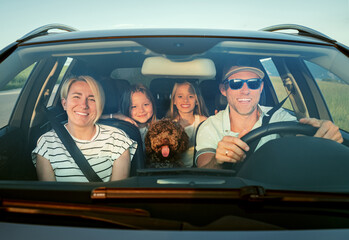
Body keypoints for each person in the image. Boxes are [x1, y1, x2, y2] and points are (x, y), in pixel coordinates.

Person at [195, 65, 343, 169]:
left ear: (260, 87)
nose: (245, 91)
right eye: (236, 84)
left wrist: (322, 133)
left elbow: (301, 137)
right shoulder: (210, 126)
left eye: (253, 83)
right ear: (223, 90)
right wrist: (217, 161)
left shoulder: (278, 117)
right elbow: (204, 170)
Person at [32, 76, 137, 182]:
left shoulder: (118, 139)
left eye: (92, 99)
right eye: (77, 97)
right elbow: (49, 196)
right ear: (64, 103)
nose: (83, 105)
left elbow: (114, 195)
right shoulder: (46, 143)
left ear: (99, 105)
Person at [166, 82, 209, 167]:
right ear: (174, 100)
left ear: (197, 101)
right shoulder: (169, 124)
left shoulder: (203, 121)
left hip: (199, 169)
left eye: (190, 96)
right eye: (180, 96)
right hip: (174, 170)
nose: (185, 100)